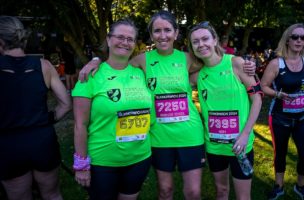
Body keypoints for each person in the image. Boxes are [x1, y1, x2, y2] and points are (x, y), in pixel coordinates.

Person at [78, 10, 256, 200]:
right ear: (151, 34)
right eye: (157, 31)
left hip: (190, 134)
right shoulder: (141, 60)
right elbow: (117, 64)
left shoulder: (188, 58)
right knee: (165, 191)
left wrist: (246, 66)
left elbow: (216, 65)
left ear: (176, 33)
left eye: (167, 30)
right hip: (159, 136)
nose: (162, 36)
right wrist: (95, 60)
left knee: (193, 192)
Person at [72, 19, 152, 200]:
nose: (125, 42)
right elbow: (80, 125)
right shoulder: (91, 76)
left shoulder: (141, 73)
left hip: (139, 158)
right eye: (120, 37)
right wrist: (82, 164)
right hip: (103, 162)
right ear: (108, 40)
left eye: (130, 39)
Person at [188, 21, 262, 200]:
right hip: (214, 146)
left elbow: (257, 98)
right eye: (195, 42)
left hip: (240, 145)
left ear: (215, 40)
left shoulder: (236, 63)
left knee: (243, 197)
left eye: (205, 38)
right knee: (221, 192)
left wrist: (245, 134)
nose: (201, 44)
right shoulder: (197, 75)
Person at [0, 16, 71, 200]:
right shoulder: (44, 65)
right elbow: (66, 104)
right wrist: (49, 119)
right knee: (52, 195)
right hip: (42, 140)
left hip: (9, 144)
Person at [260, 23, 304, 200]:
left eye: (303, 37)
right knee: (281, 153)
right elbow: (263, 86)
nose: (299, 40)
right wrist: (278, 94)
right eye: (295, 37)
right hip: (280, 118)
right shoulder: (276, 63)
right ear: (287, 39)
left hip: (303, 117)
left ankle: (300, 186)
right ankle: (278, 186)